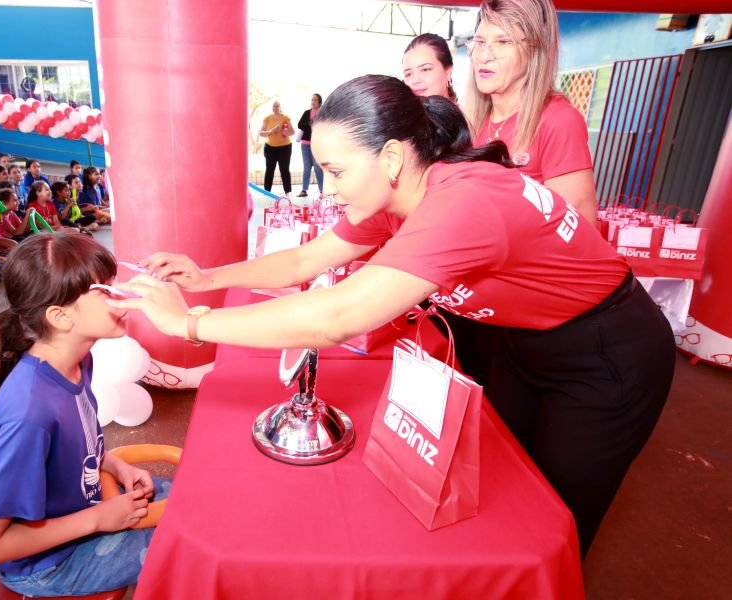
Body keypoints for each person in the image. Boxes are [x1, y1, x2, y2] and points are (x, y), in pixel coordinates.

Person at [114, 75, 674, 559]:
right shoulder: (400, 196)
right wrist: (208, 278)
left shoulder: (464, 202)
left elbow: (337, 315)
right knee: (510, 494)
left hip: (605, 352)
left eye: (336, 172)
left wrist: (188, 325)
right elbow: (308, 260)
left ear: (389, 158)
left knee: (554, 520)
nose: (330, 190)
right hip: (523, 340)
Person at [0, 232, 169, 597]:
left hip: (87, 507)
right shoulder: (29, 414)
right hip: (48, 563)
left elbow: (76, 447)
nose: (122, 297)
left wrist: (115, 465)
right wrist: (98, 519)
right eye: (105, 290)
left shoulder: (77, 361)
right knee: (184, 541)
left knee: (196, 501)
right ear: (59, 317)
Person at [464, 0, 597, 226]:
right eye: (480, 42)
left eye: (503, 42)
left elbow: (580, 231)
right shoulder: (468, 120)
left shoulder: (557, 121)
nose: (484, 56)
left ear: (534, 49)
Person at [403, 33, 457, 101]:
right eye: (408, 74)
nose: (415, 80)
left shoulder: (467, 107)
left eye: (425, 69)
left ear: (448, 72)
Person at [259, 101, 294, 195]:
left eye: (277, 106)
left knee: (284, 169)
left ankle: (288, 191)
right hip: (270, 148)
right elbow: (261, 133)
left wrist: (283, 131)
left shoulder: (285, 118)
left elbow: (292, 132)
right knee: (269, 169)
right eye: (274, 106)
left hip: (285, 148)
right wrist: (271, 131)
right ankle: (267, 191)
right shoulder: (267, 118)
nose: (275, 108)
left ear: (280, 107)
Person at [296, 94, 324, 198]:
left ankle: (322, 190)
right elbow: (299, 124)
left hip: (317, 144)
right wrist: (309, 124)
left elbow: (326, 127)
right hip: (305, 144)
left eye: (315, 100)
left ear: (319, 102)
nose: (313, 101)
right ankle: (304, 190)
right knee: (306, 168)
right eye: (312, 100)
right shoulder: (307, 113)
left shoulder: (323, 113)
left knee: (317, 167)